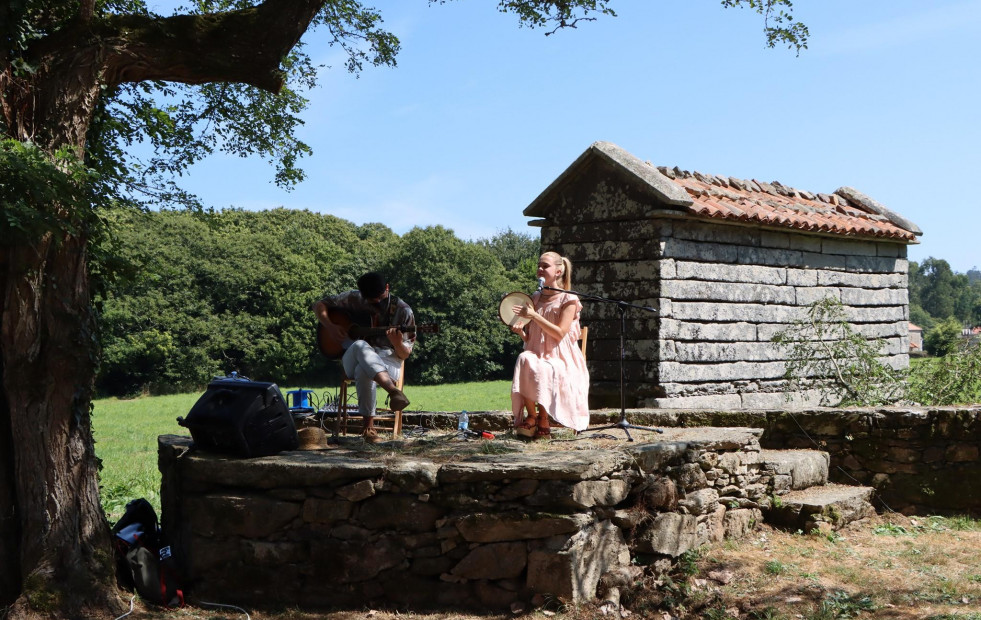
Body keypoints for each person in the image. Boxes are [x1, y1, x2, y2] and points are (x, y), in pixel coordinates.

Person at [313, 272, 414, 443]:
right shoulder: (353, 298)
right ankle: (393, 391)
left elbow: (405, 354)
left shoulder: (403, 311)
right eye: (370, 300)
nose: (375, 303)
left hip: (389, 360)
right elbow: (319, 305)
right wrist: (329, 326)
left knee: (364, 369)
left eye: (379, 298)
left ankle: (369, 429)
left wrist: (397, 343)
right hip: (351, 357)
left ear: (387, 288)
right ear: (361, 294)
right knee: (360, 345)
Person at [510, 252, 590, 438]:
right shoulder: (535, 298)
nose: (540, 269)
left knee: (544, 368)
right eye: (539, 265)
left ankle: (543, 419)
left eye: (545, 266)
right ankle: (532, 415)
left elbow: (559, 333)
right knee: (524, 358)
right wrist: (521, 332)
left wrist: (534, 316)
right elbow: (532, 338)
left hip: (562, 356)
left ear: (558, 271)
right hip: (537, 352)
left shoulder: (569, 299)